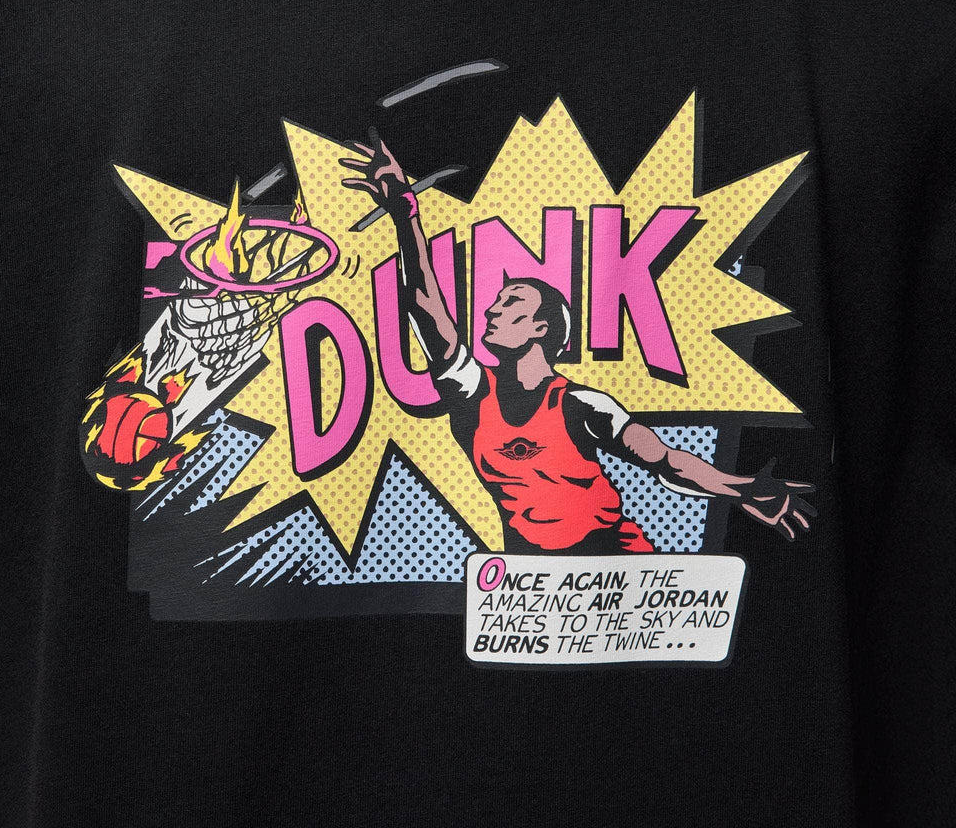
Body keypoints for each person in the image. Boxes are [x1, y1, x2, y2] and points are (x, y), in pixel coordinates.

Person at [340, 132, 815, 554]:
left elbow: (666, 462)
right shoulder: (472, 392)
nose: (490, 311)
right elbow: (426, 309)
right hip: (529, 579)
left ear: (541, 328)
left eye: (510, 303)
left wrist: (740, 488)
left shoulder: (584, 404)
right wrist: (405, 216)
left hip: (619, 562)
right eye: (496, 303)